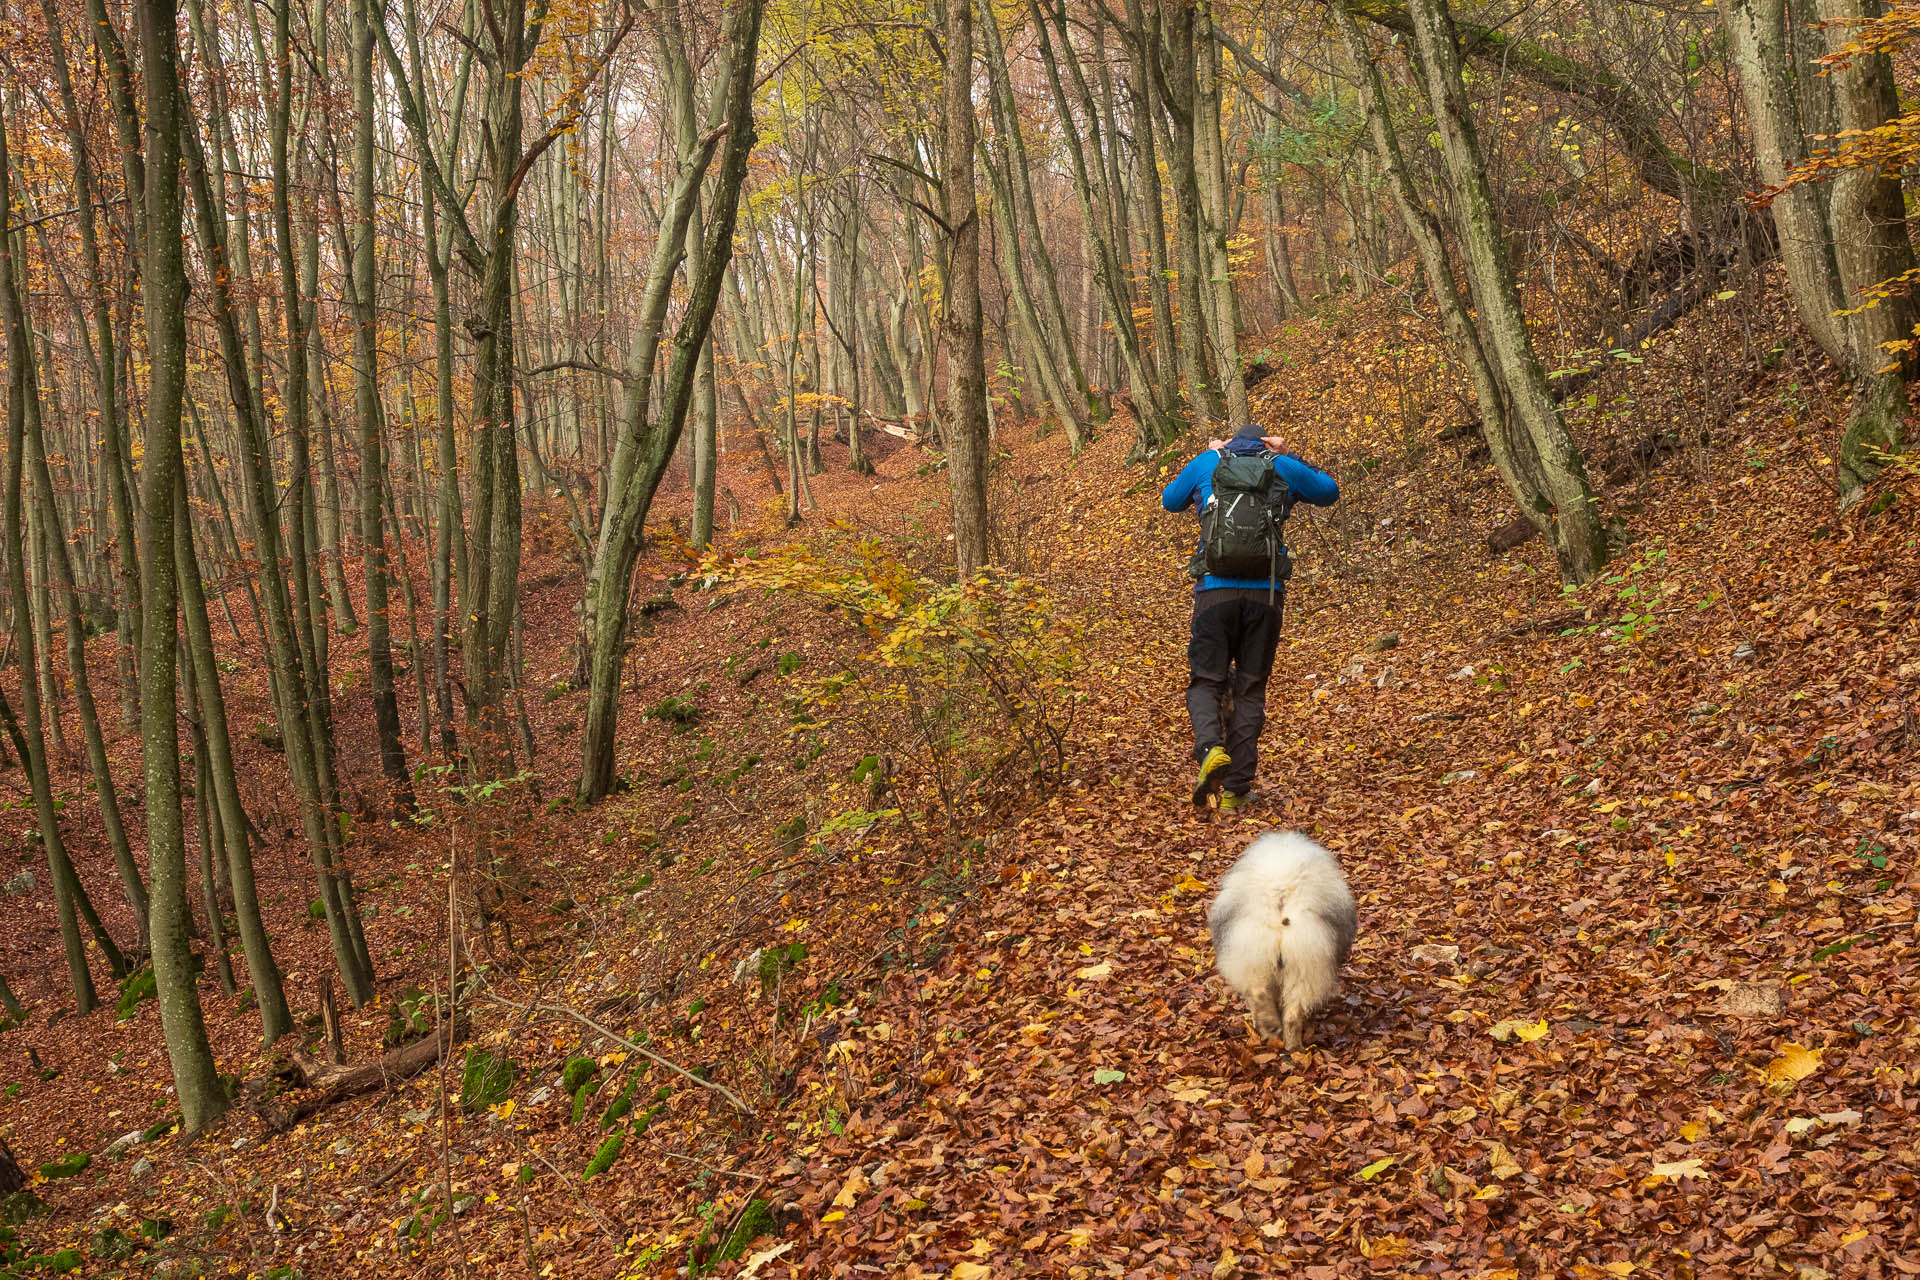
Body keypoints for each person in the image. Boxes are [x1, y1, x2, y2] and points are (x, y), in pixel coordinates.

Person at [1161, 422, 1339, 810]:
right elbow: (1328, 492)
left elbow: (1169, 500)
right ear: (1262, 442)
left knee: (1206, 681)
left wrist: (1209, 454)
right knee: (1251, 689)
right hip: (1266, 594)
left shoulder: (1209, 461)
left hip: (1214, 592)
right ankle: (1236, 791)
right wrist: (1287, 452)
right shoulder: (1280, 464)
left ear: (1231, 441)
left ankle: (1209, 747)